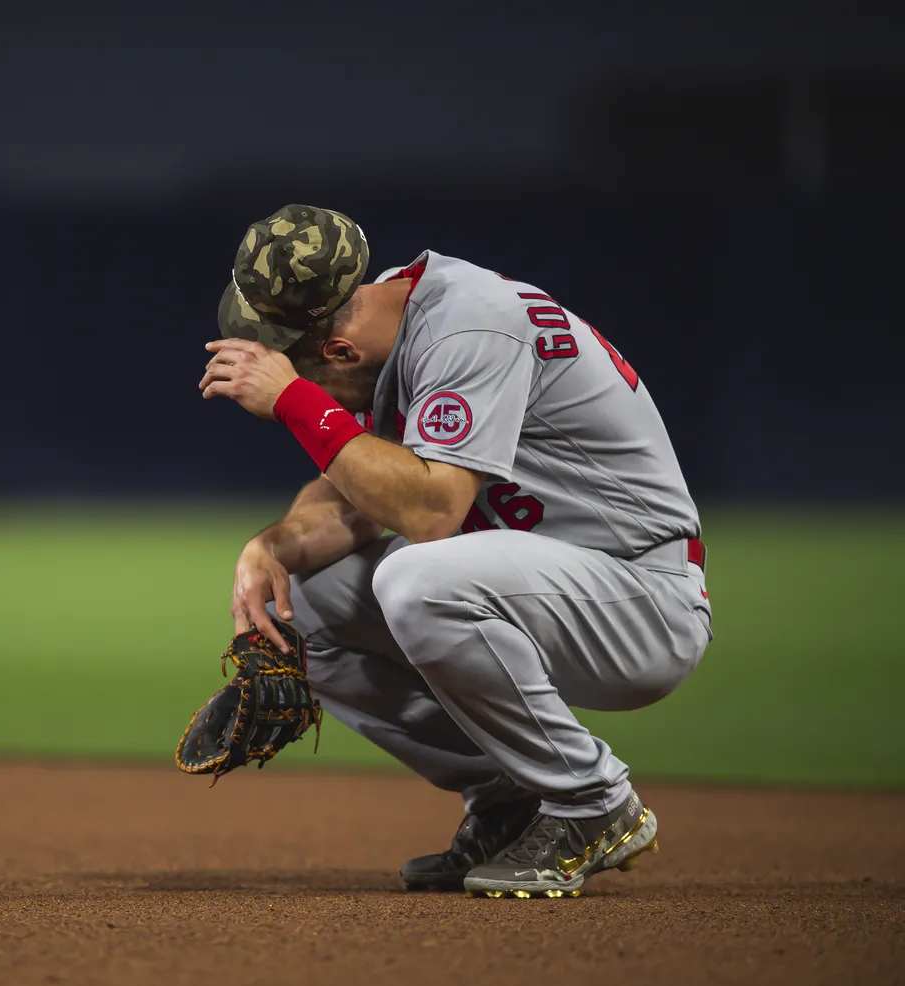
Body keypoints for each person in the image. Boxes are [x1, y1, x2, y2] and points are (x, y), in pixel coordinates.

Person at [198, 205, 711, 898]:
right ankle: (512, 797)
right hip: (544, 584)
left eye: (307, 370)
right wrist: (273, 547)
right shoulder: (395, 321)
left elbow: (431, 511)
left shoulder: (470, 325)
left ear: (337, 351)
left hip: (638, 595)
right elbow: (358, 493)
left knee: (415, 576)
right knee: (313, 599)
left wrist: (295, 403)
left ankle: (593, 802)